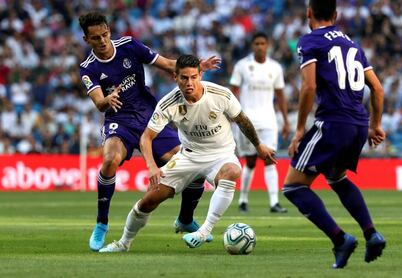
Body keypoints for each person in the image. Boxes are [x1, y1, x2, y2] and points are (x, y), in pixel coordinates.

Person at [99, 54, 277, 252]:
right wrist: (152, 167)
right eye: (184, 78)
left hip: (221, 154)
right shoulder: (168, 103)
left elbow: (242, 120)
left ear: (201, 75)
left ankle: (203, 231)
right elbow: (146, 138)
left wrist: (259, 146)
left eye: (193, 77)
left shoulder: (221, 94)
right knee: (148, 201)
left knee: (232, 171)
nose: (189, 83)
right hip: (188, 156)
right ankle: (123, 243)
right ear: (175, 77)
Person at [78, 12, 220, 251]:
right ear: (86, 40)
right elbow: (99, 102)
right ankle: (101, 223)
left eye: (104, 35)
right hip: (119, 120)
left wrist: (195, 67)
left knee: (192, 163)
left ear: (109, 31)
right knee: (110, 160)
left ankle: (185, 219)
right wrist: (107, 99)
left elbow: (165, 64)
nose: (102, 41)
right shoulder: (88, 68)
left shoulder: (129, 46)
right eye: (95, 38)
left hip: (150, 116)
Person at [283, 0, 386, 269]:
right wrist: (375, 125)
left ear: (309, 14)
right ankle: (371, 233)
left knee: (293, 186)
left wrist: (299, 129)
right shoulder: (353, 45)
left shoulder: (310, 41)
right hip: (358, 125)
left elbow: (308, 87)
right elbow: (377, 88)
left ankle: (340, 239)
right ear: (336, 15)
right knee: (336, 177)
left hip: (332, 122)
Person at [230, 32, 289, 213]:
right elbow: (233, 91)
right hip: (247, 121)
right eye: (256, 43)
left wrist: (286, 120)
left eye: (263, 43)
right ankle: (243, 200)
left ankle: (274, 202)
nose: (260, 46)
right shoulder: (242, 66)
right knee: (250, 161)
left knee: (270, 159)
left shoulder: (275, 68)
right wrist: (231, 114)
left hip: (269, 120)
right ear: (252, 46)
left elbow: (280, 95)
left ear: (268, 45)